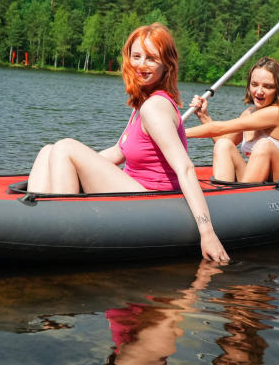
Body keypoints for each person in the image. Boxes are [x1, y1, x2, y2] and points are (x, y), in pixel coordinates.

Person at [27, 23, 229, 262]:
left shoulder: (155, 107)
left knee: (64, 147)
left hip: (152, 202)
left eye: (151, 58)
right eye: (136, 56)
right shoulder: (142, 102)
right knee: (48, 151)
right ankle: (34, 224)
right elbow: (118, 152)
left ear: (167, 65)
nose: (141, 64)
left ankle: (62, 233)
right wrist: (71, 166)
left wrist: (207, 232)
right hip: (134, 190)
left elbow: (184, 167)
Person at [186, 57, 279, 183]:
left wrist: (175, 132)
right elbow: (223, 140)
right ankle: (224, 194)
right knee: (223, 145)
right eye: (254, 84)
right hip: (260, 181)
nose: (259, 92)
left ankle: (240, 197)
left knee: (264, 145)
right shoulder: (248, 113)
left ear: (278, 89)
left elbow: (219, 127)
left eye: (268, 86)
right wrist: (203, 115)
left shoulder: (278, 114)